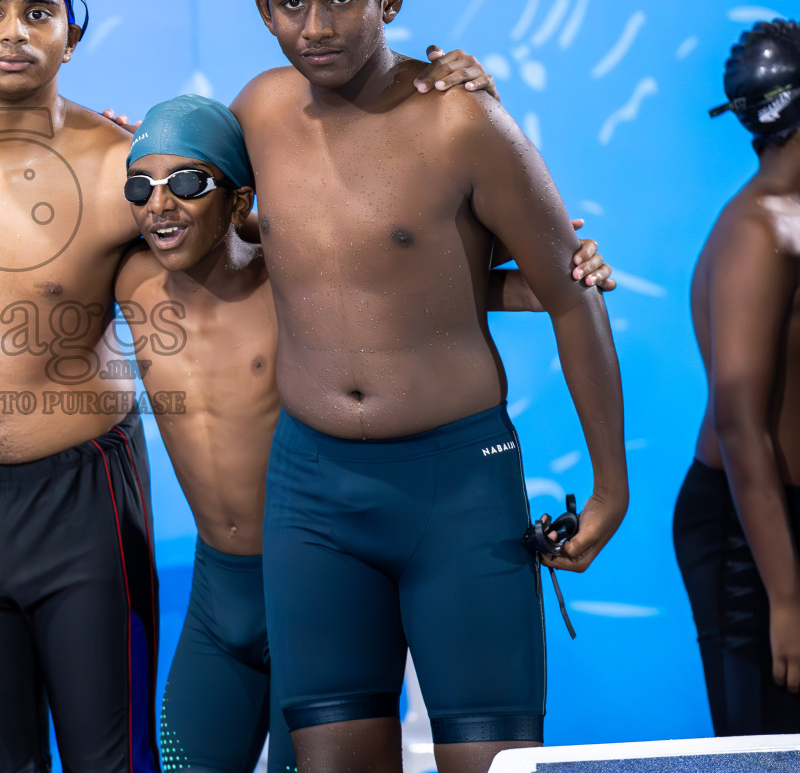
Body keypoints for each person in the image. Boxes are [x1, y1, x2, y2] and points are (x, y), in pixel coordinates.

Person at [0, 0, 515, 773]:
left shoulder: (124, 164)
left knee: (111, 759)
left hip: (88, 498)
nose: (13, 31)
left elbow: (337, 246)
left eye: (38, 12)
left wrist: (441, 95)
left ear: (72, 33)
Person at [231, 0, 627, 773]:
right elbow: (182, 204)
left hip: (457, 490)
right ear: (265, 10)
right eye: (292, 2)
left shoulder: (462, 119)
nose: (317, 24)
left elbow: (574, 294)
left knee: (490, 768)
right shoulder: (255, 113)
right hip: (312, 492)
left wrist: (611, 489)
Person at [116, 96, 613, 773]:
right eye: (141, 188)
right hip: (218, 596)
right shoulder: (131, 280)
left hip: (312, 576)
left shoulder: (294, 276)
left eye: (189, 185)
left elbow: (423, 270)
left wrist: (560, 264)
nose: (160, 204)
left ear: (238, 201)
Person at [675, 19, 800, 735]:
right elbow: (740, 423)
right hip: (747, 535)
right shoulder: (760, 231)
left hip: (781, 515)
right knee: (770, 746)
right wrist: (784, 597)